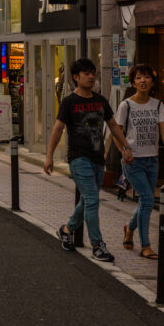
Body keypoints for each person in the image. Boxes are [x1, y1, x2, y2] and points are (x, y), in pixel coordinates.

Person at [44, 58, 135, 263]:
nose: (91, 76)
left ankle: (67, 229)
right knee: (93, 200)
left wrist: (126, 147)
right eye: (86, 73)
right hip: (78, 158)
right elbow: (58, 128)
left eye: (92, 73)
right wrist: (49, 157)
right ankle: (97, 244)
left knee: (87, 199)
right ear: (76, 77)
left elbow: (113, 126)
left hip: (97, 158)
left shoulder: (101, 100)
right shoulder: (69, 102)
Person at [117, 64, 164, 259]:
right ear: (133, 81)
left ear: (152, 81)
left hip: (152, 159)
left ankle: (129, 228)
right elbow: (116, 133)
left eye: (147, 77)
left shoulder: (158, 104)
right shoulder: (126, 105)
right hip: (133, 161)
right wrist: (124, 152)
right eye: (139, 78)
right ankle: (146, 245)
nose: (143, 81)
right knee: (148, 200)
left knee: (146, 202)